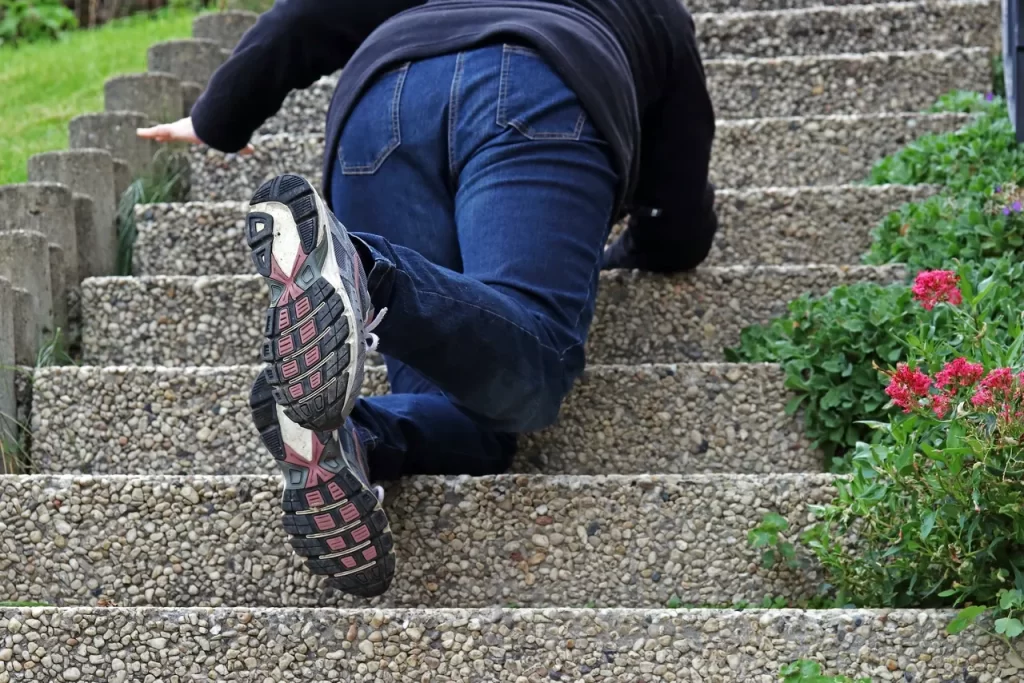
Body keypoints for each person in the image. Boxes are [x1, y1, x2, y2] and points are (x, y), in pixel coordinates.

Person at [137, 0, 718, 599]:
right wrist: (635, 247)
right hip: (540, 89)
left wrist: (218, 119)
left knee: (476, 418)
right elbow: (677, 214)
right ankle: (365, 271)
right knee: (534, 373)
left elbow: (302, 19)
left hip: (377, 106)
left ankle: (353, 436)